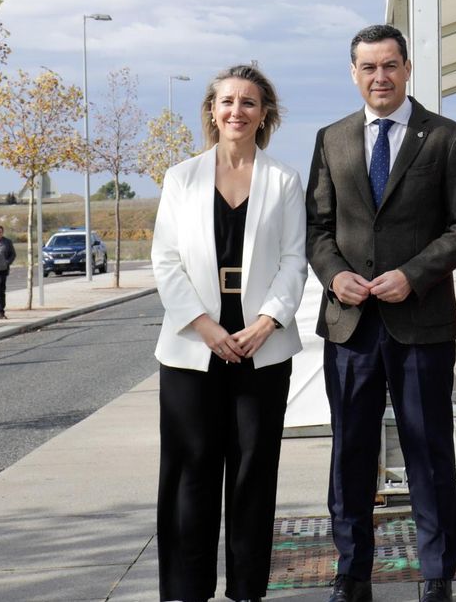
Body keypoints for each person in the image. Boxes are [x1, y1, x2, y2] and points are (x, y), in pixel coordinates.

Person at [306, 24, 456, 602]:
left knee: (429, 450)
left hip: (422, 322)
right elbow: (317, 228)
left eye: (389, 66)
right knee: (350, 451)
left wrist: (414, 275)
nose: (379, 77)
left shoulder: (447, 138)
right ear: (353, 73)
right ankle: (352, 573)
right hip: (350, 325)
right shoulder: (330, 139)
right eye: (367, 67)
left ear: (407, 69)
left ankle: (437, 576)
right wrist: (335, 275)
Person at [151, 64, 306, 602]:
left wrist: (266, 323)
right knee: (189, 473)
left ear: (265, 114)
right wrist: (206, 326)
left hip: (262, 346)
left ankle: (246, 591)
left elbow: (294, 260)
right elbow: (166, 261)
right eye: (227, 102)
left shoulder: (284, 179)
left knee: (252, 475)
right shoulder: (180, 177)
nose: (236, 111)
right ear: (212, 112)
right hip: (193, 346)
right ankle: (184, 592)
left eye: (248, 102)